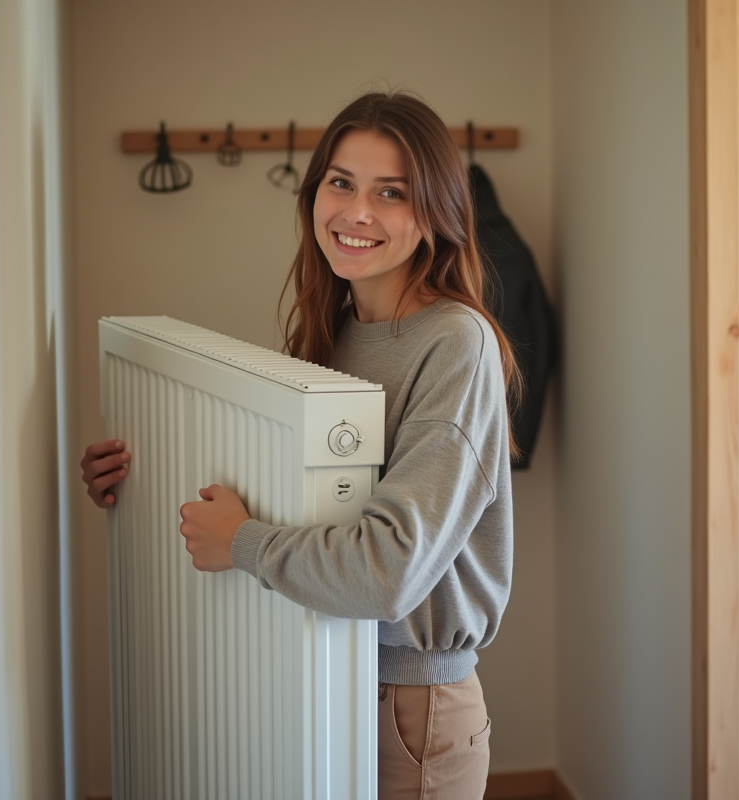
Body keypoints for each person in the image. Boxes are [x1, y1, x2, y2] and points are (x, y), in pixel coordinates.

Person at [80, 90, 520, 799]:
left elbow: (388, 570)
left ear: (436, 213)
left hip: (409, 715)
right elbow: (295, 501)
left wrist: (245, 543)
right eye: (341, 183)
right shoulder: (333, 333)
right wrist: (137, 477)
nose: (357, 212)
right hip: (327, 668)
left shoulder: (454, 345)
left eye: (391, 193)